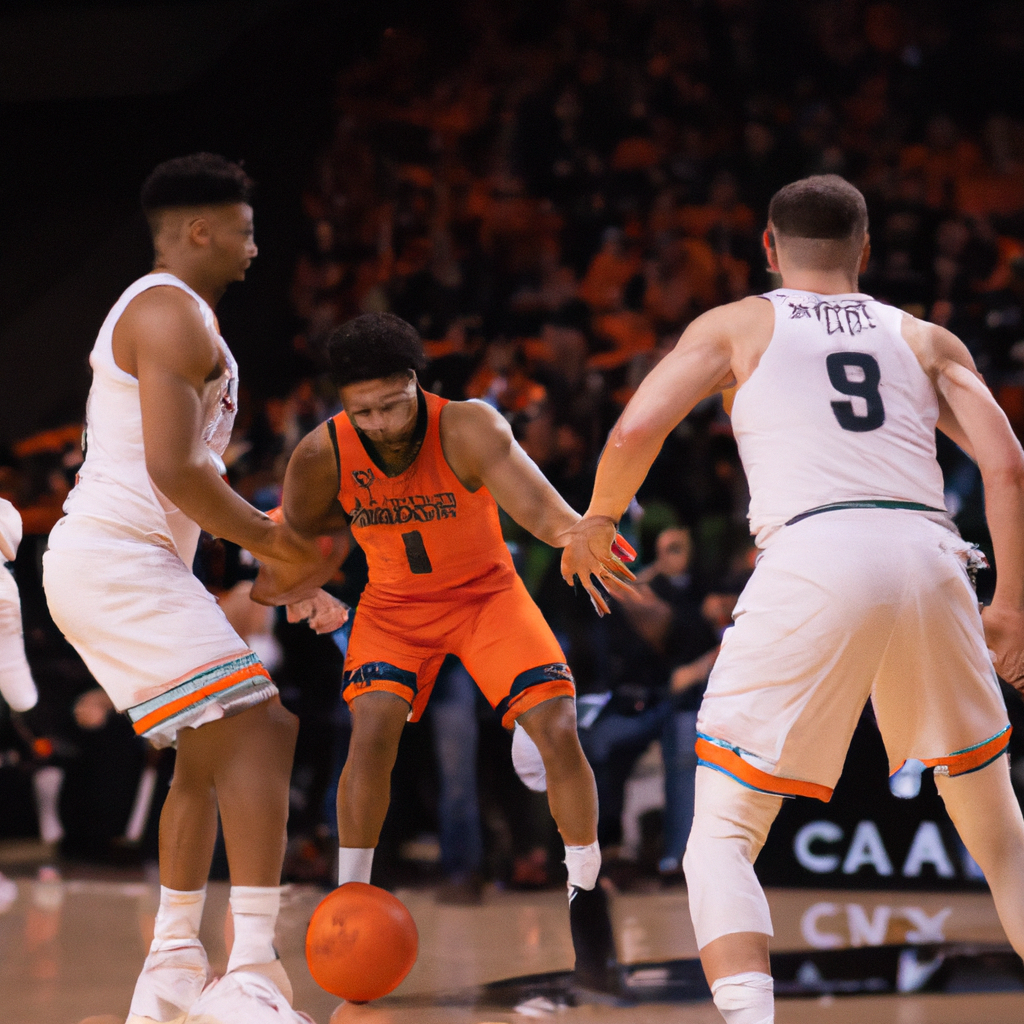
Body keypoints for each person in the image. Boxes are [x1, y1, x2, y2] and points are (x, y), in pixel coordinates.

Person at [562, 174, 1024, 1024]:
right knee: (1002, 840)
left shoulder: (742, 321)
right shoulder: (924, 337)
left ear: (768, 249)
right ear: (866, 251)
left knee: (724, 834)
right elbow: (1007, 463)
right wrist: (1015, 609)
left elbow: (635, 430)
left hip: (818, 551)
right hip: (933, 554)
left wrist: (595, 518)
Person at [42, 154, 344, 1024]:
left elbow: (188, 483)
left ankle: (173, 964)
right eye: (246, 230)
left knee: (207, 753)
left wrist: (283, 581)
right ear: (200, 230)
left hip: (135, 561)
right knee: (264, 726)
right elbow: (175, 470)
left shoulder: (186, 317)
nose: (258, 246)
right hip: (114, 556)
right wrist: (278, 539)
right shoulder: (168, 310)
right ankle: (253, 969)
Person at [255, 311, 634, 991]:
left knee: (557, 724)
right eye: (361, 411)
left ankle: (584, 889)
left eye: (392, 404)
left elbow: (538, 507)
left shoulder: (469, 425)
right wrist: (300, 593)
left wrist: (576, 533)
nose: (379, 422)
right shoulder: (321, 453)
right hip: (395, 607)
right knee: (369, 731)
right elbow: (288, 541)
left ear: (417, 382)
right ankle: (350, 894)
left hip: (488, 597)